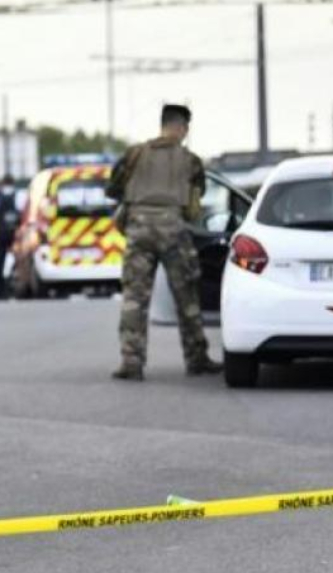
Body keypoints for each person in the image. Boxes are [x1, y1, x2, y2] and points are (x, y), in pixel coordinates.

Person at [106, 103, 224, 381]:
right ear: (183, 128)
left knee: (135, 297)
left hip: (138, 230)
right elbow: (195, 206)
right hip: (174, 230)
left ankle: (131, 361)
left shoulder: (134, 154)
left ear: (162, 124)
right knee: (186, 297)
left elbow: (114, 189)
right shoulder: (191, 161)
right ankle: (196, 358)